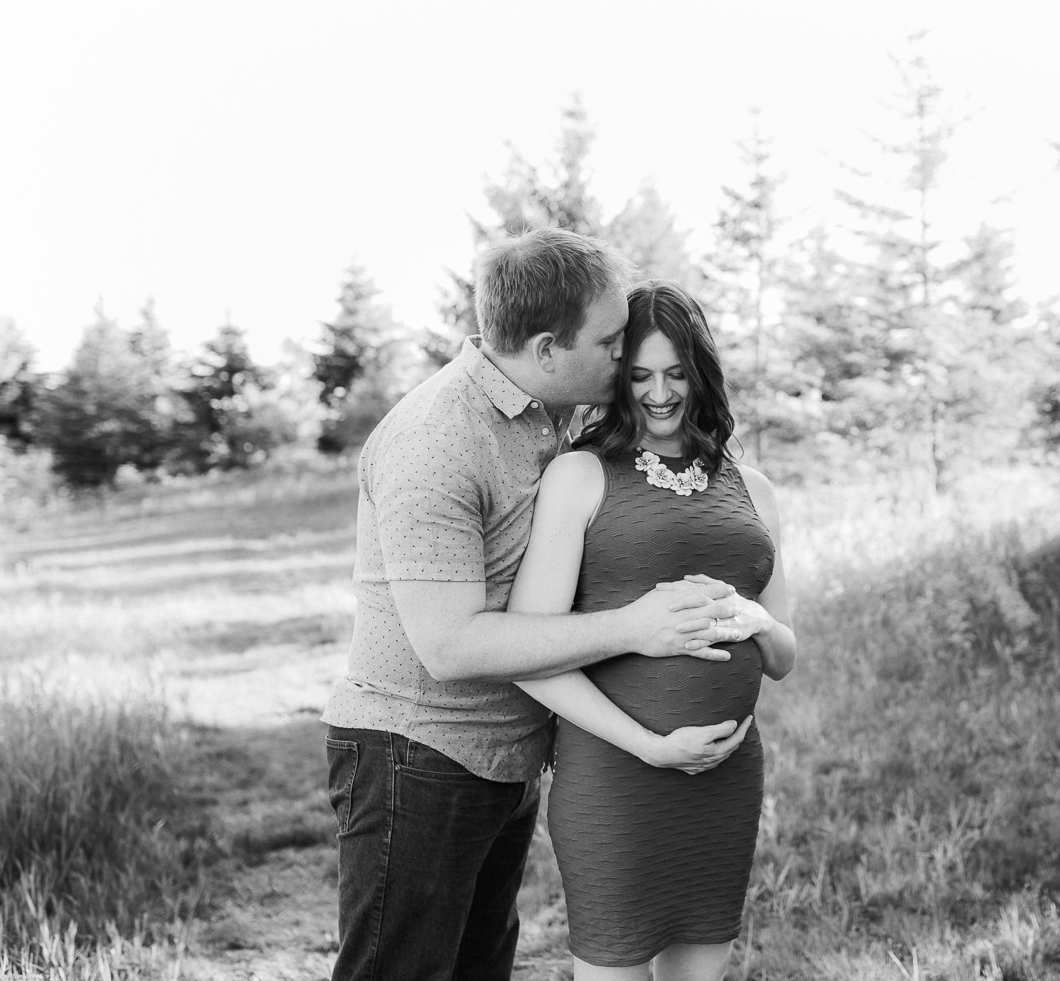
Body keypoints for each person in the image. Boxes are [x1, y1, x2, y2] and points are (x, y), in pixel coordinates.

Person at [320, 230, 756, 981]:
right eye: (612, 341)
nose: (625, 359)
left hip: (502, 756)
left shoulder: (547, 413)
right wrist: (633, 628)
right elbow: (449, 647)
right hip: (419, 755)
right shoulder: (438, 438)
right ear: (549, 347)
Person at [508, 279, 797, 981]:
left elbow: (784, 655)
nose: (659, 393)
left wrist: (758, 620)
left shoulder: (752, 487)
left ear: (701, 373)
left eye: (675, 374)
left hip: (726, 778)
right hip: (617, 778)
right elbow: (529, 652)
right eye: (638, 376)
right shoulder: (580, 475)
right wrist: (650, 746)